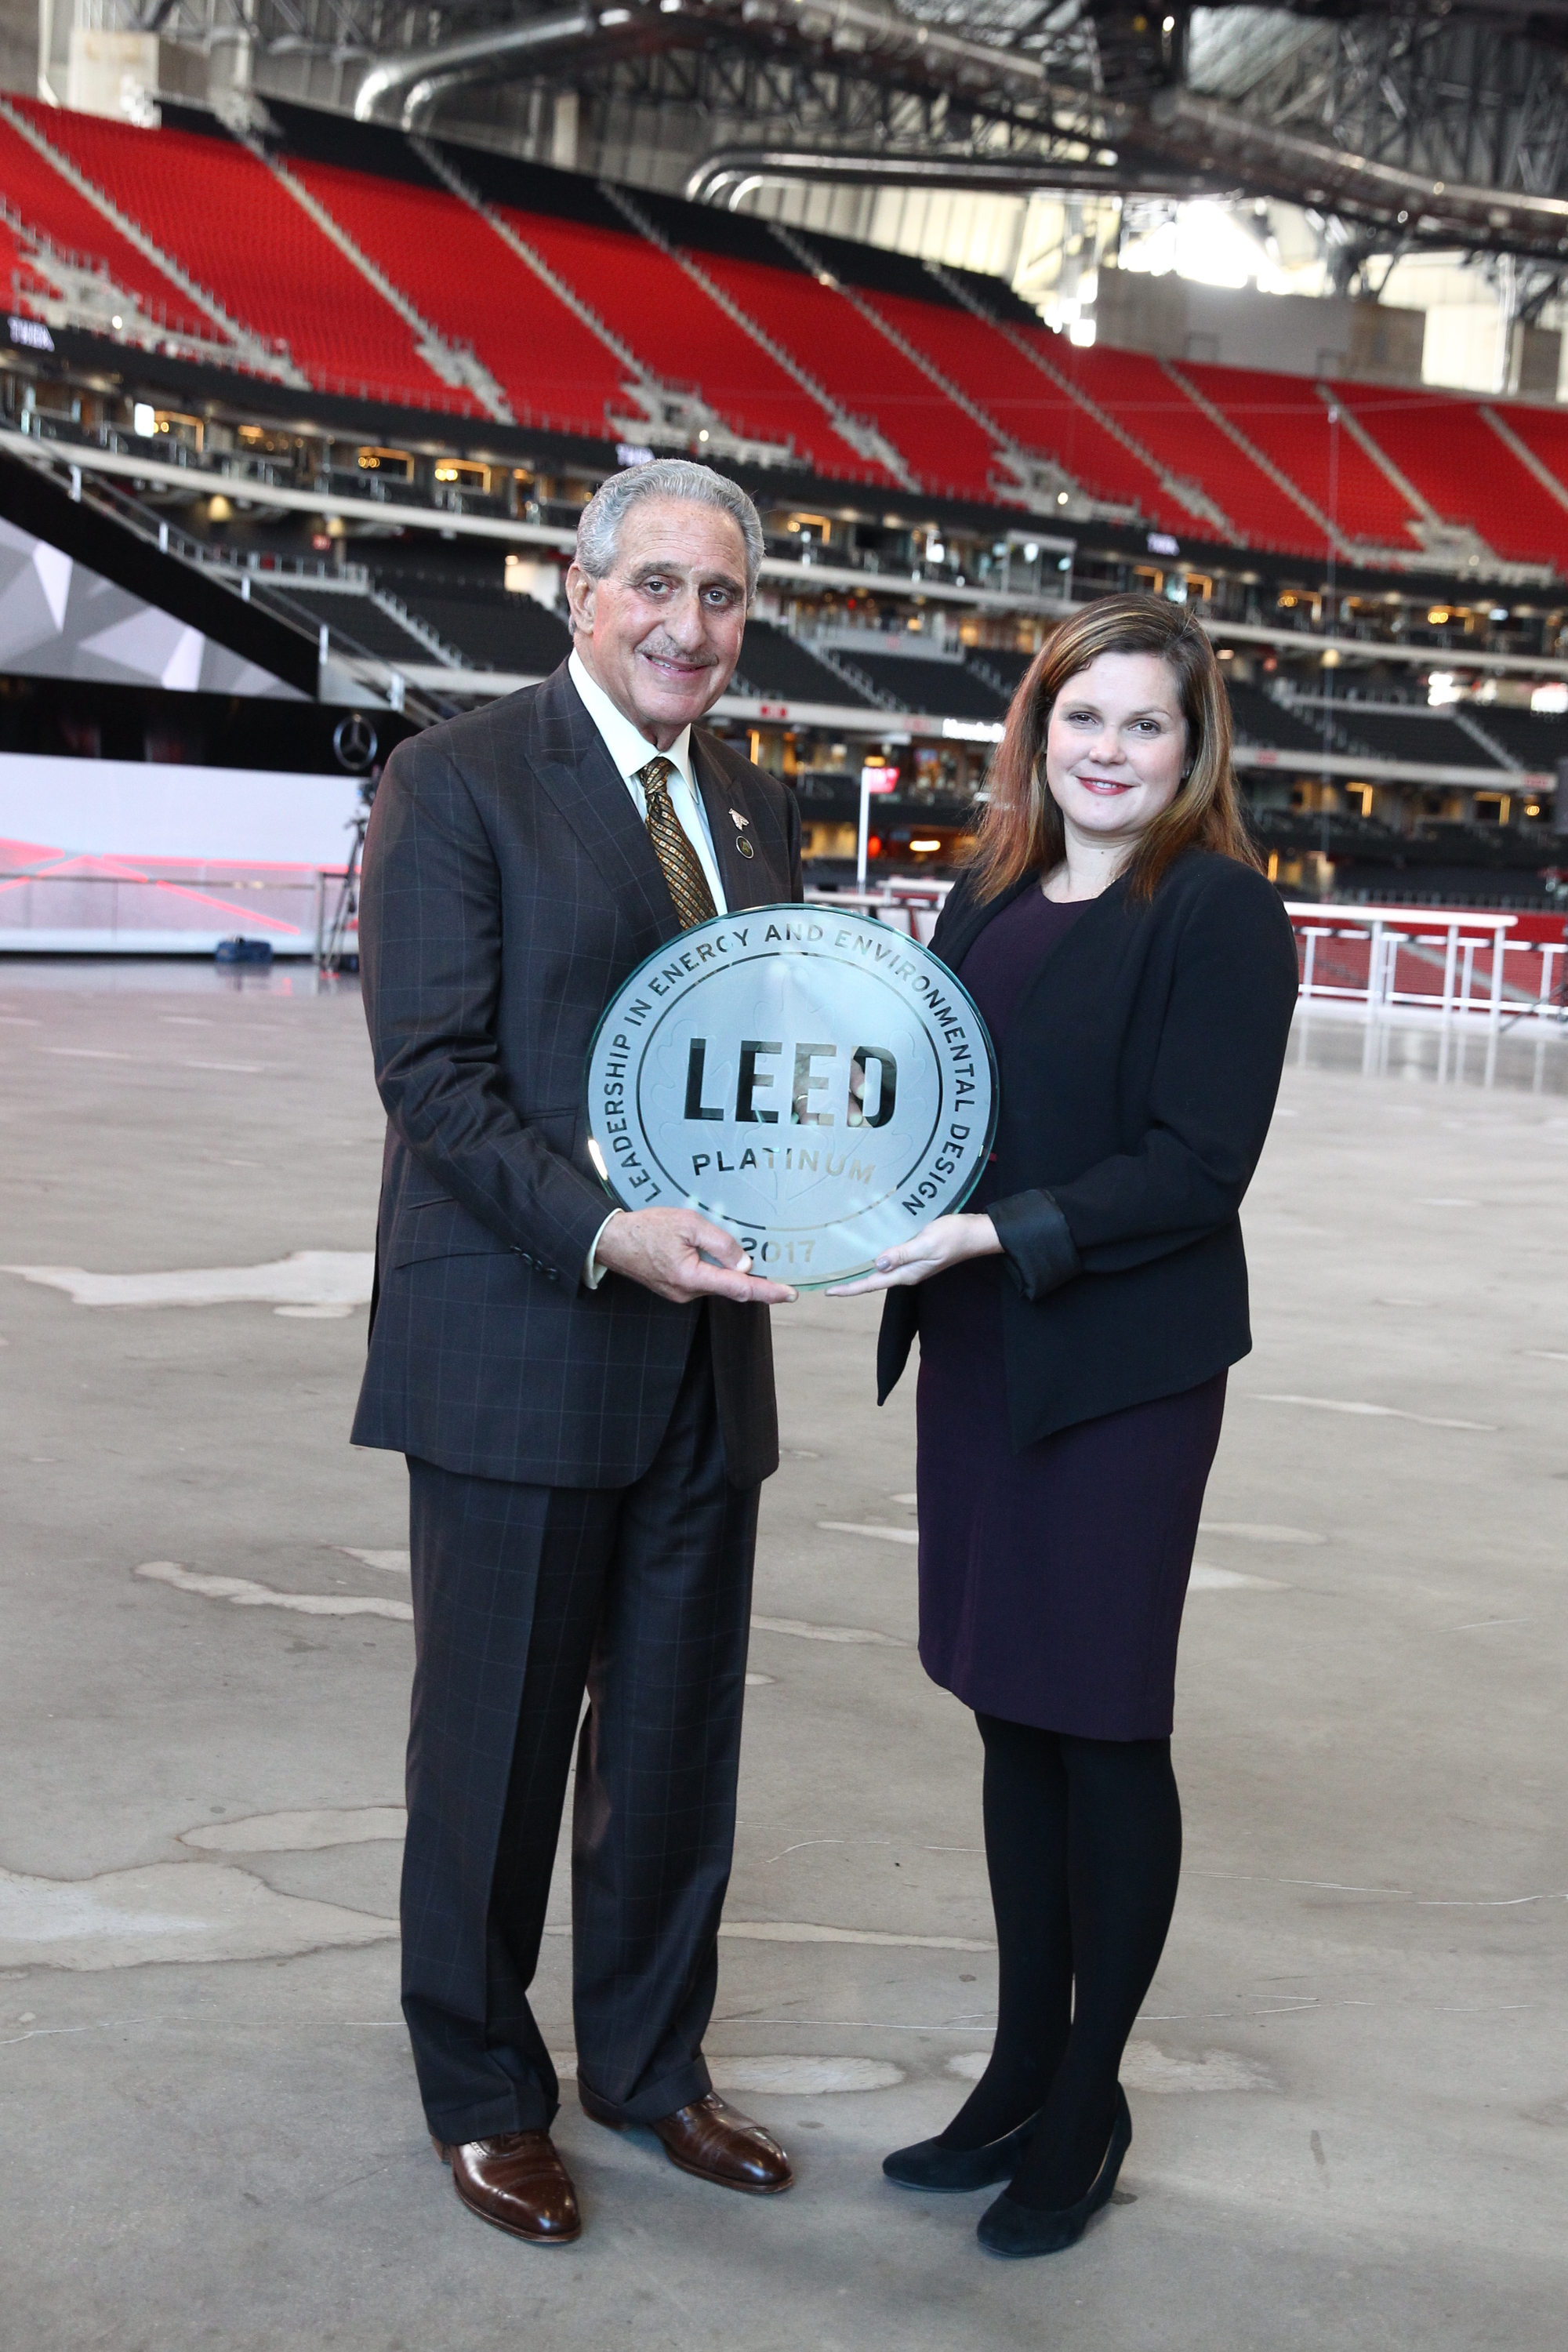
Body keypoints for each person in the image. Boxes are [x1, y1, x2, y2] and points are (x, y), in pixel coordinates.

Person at [351, 459, 804, 2247]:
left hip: (709, 1363)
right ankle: (479, 2088)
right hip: (527, 1342)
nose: (690, 627)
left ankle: (651, 2064)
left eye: (722, 600)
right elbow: (435, 1079)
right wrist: (610, 1230)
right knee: (496, 1747)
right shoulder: (456, 782)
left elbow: (762, 1072)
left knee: (678, 1745)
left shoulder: (750, 804)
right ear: (580, 589)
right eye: (659, 589)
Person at [829, 593, 1299, 2259]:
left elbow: (1193, 1167)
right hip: (976, 1349)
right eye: (1079, 718)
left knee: (1098, 1720)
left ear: (1191, 749)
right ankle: (1020, 2066)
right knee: (1005, 1710)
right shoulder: (988, 893)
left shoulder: (1217, 913)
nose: (1106, 751)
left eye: (1142, 726)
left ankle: (1089, 2096)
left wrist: (998, 1234)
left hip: (1117, 1368)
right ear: (1038, 730)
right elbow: (936, 1109)